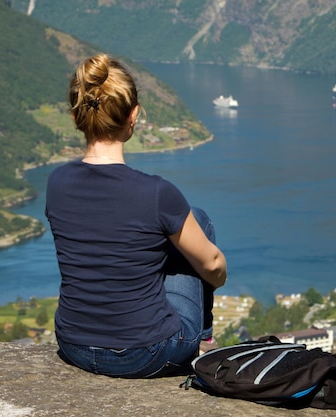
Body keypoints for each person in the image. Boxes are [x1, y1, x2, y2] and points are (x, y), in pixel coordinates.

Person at [45, 54, 227, 378]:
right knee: (195, 219)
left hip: (72, 344)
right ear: (133, 116)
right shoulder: (156, 193)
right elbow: (212, 266)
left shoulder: (56, 183)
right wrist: (216, 279)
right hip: (144, 353)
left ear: (76, 117)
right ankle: (204, 339)